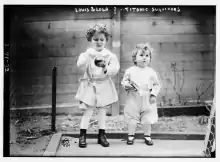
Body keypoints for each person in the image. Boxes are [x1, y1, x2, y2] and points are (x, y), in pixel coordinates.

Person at [75, 24, 120, 148]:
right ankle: (82, 135)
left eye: (102, 39)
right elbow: (80, 64)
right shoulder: (88, 53)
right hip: (90, 84)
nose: (99, 42)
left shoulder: (109, 55)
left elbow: (115, 68)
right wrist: (85, 58)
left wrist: (107, 68)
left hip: (104, 84)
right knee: (88, 111)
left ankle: (101, 135)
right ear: (90, 40)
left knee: (102, 111)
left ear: (106, 40)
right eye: (95, 39)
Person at [121, 43, 161, 145]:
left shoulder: (151, 72)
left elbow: (156, 84)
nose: (144, 58)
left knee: (147, 118)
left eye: (147, 56)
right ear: (135, 58)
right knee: (132, 118)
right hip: (133, 98)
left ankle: (147, 136)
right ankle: (130, 136)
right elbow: (124, 81)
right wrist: (127, 85)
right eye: (141, 55)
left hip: (147, 98)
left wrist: (153, 94)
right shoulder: (130, 71)